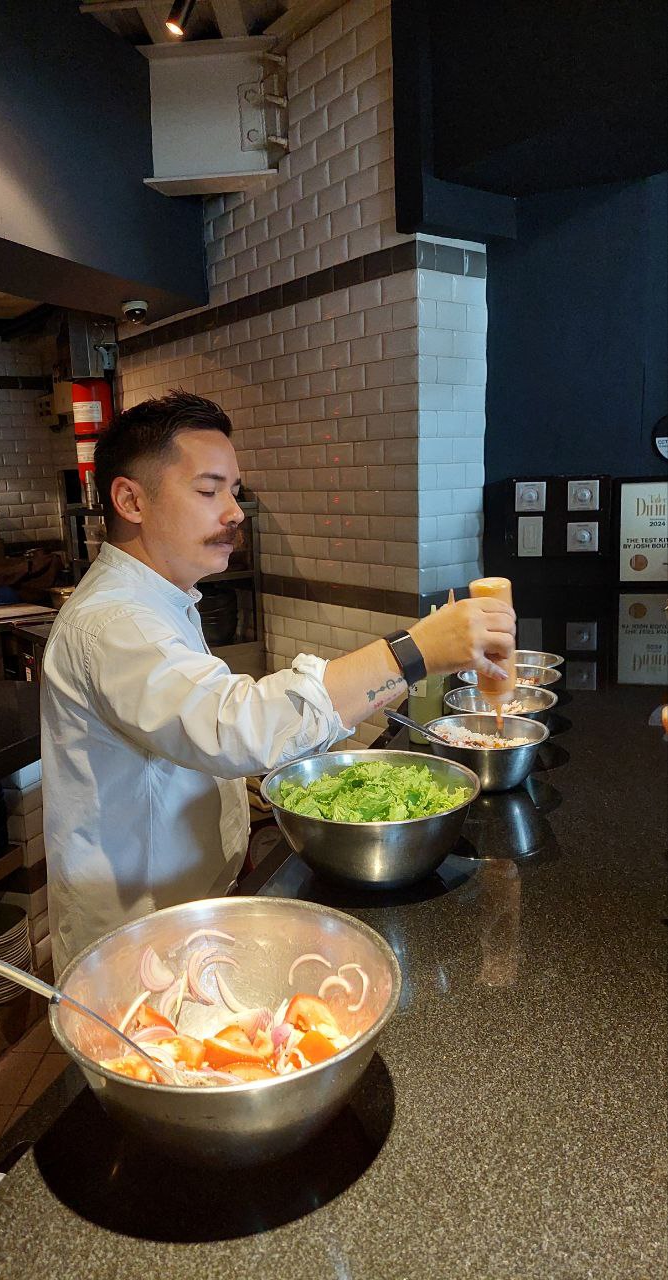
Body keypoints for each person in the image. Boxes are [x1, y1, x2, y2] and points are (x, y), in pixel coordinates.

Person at [41, 391, 514, 977]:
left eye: (234, 491)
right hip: (139, 942)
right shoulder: (114, 621)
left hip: (183, 914)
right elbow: (231, 725)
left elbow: (203, 727)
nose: (234, 511)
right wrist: (411, 654)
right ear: (130, 499)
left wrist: (391, 676)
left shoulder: (161, 604)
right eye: (209, 490)